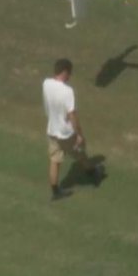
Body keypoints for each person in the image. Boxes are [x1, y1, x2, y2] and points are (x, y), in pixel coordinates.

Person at [43, 58, 101, 200]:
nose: (70, 76)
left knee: (54, 160)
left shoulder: (46, 83)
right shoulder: (68, 91)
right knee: (80, 151)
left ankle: (55, 191)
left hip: (52, 130)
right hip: (66, 133)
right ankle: (92, 173)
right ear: (64, 72)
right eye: (69, 73)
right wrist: (79, 134)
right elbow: (72, 115)